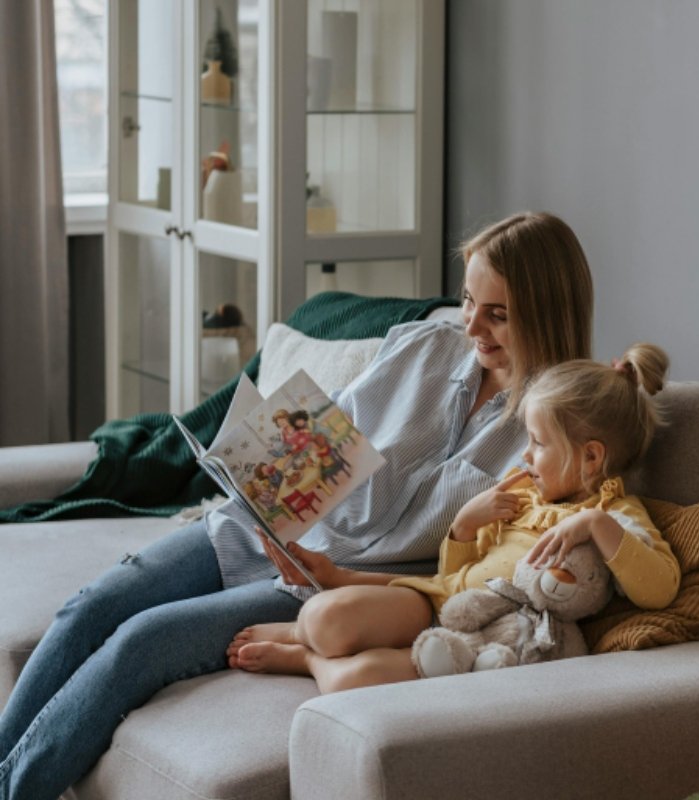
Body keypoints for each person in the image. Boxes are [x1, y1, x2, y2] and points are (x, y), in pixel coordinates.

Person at [0, 211, 594, 800]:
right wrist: (256, 469)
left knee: (141, 641)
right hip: (259, 529)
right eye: (468, 302)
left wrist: (334, 575)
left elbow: (469, 573)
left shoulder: (549, 435)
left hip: (326, 584)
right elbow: (324, 430)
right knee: (89, 608)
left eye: (498, 315)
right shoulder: (424, 347)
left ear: (546, 314)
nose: (472, 328)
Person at [227, 344, 680, 693]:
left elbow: (660, 588)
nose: (525, 454)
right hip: (438, 606)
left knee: (351, 681)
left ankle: (307, 659)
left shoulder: (616, 516)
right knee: (324, 615)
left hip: (488, 641)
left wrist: (595, 526)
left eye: (539, 443)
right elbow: (452, 576)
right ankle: (301, 632)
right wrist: (465, 525)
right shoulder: (520, 495)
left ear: (592, 457)